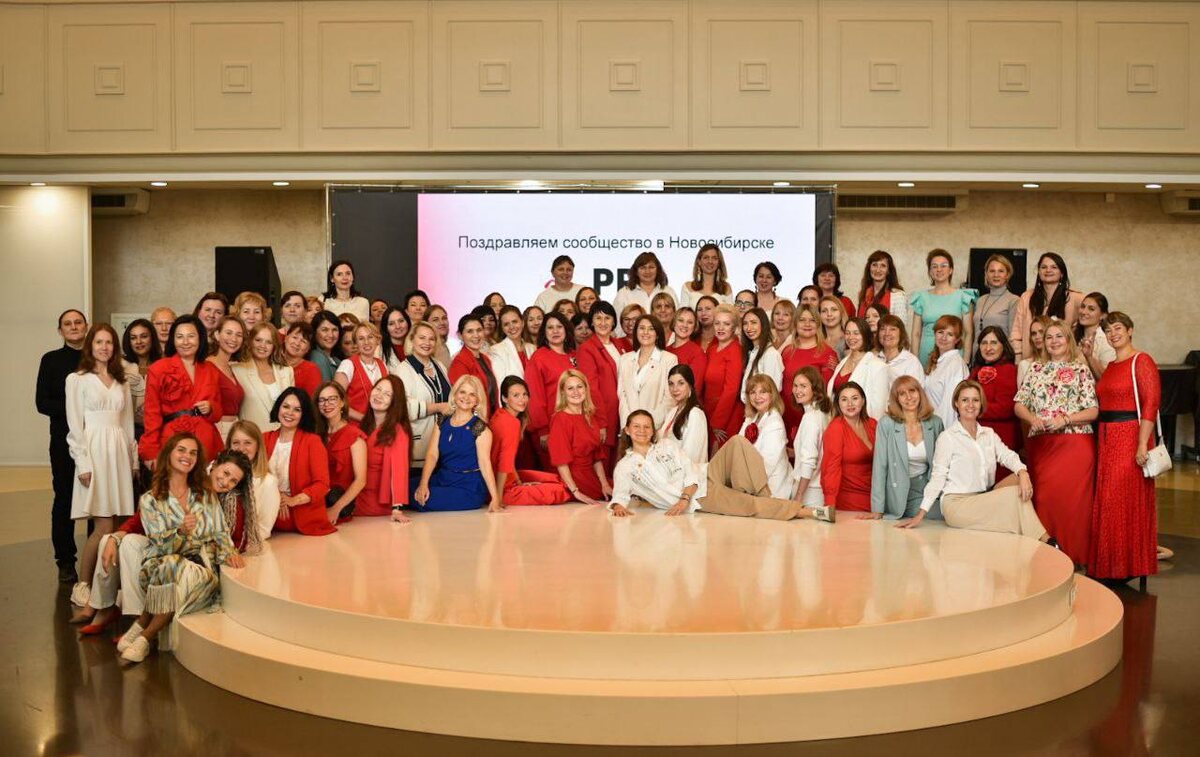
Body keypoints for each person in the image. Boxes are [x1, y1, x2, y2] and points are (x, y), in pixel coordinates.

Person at [75, 446, 257, 635]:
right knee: (111, 540)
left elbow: (234, 538)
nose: (226, 482)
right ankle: (108, 609)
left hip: (190, 556)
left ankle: (133, 618)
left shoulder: (231, 500)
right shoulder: (187, 483)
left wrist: (228, 551)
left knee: (134, 547)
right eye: (225, 473)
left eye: (233, 481)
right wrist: (116, 537)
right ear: (215, 465)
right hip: (165, 544)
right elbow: (143, 517)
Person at [116, 433, 246, 664]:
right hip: (158, 569)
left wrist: (230, 552)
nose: (188, 456)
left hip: (200, 571)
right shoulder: (150, 500)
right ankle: (144, 637)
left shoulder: (205, 495)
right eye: (182, 450)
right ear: (169, 454)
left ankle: (143, 631)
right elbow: (159, 545)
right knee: (171, 563)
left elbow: (220, 532)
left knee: (175, 567)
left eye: (193, 453)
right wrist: (180, 532)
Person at [609, 410, 832, 522]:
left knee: (737, 441)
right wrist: (618, 506)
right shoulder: (625, 467)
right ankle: (811, 512)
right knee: (750, 505)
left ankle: (763, 495)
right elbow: (620, 495)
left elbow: (689, 469)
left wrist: (684, 497)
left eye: (646, 427)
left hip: (704, 475)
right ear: (627, 430)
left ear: (652, 430)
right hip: (702, 495)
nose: (642, 431)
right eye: (636, 427)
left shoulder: (666, 445)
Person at [900, 382, 1045, 541]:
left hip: (982, 496)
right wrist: (921, 513)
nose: (970, 405)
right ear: (956, 403)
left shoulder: (988, 434)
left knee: (1019, 480)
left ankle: (1026, 537)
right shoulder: (948, 437)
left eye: (975, 400)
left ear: (981, 403)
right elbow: (938, 477)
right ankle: (1044, 539)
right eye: (965, 400)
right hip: (957, 504)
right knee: (1014, 495)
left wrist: (1023, 472)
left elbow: (1007, 456)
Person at [1014, 321, 1098, 567]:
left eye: (1059, 336)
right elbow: (1019, 404)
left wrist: (1066, 419)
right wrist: (1033, 419)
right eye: (1049, 337)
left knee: (1075, 504)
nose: (1053, 341)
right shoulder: (1036, 369)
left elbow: (1093, 411)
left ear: (1068, 339)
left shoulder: (1081, 370)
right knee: (1045, 500)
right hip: (1043, 447)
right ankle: (1047, 557)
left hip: (1076, 445)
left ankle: (1076, 557)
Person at [65, 324, 137, 607]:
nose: (104, 347)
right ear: (90, 346)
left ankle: (108, 587)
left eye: (109, 343)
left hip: (118, 453)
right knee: (103, 525)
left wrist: (132, 461)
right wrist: (82, 462)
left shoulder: (122, 381)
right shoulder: (77, 379)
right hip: (94, 453)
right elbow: (75, 426)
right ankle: (82, 585)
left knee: (119, 525)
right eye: (99, 342)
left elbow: (128, 425)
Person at [1090, 312, 1161, 582]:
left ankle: (1126, 566)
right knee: (1108, 500)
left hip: (1130, 436)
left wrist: (1142, 443)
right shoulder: (1111, 366)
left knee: (1121, 500)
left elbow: (1151, 403)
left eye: (1118, 328)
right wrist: (1088, 358)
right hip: (1107, 437)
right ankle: (1111, 566)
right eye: (1108, 331)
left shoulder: (1142, 360)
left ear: (1130, 330)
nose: (1113, 334)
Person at [38, 310, 88, 581]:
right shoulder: (50, 360)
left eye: (78, 322)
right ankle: (66, 561)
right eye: (67, 324)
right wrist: (76, 411)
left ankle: (96, 556)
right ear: (60, 331)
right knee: (65, 498)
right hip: (62, 441)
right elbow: (42, 403)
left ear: (86, 326)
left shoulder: (97, 357)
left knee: (98, 501)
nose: (73, 327)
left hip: (95, 440)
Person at [139, 315, 224, 468]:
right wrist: (151, 451)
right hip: (174, 440)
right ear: (173, 340)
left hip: (206, 440)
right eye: (179, 337)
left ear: (200, 338)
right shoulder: (159, 368)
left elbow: (218, 412)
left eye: (191, 336)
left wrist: (211, 407)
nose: (185, 342)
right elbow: (151, 413)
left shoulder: (211, 369)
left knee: (206, 482)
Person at [413, 375, 501, 512]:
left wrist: (495, 498)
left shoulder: (480, 429)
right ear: (454, 395)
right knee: (405, 488)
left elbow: (485, 464)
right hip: (444, 478)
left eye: (472, 394)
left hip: (468, 487)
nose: (466, 397)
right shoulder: (442, 421)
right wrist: (423, 484)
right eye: (462, 392)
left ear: (477, 401)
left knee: (427, 499)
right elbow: (432, 455)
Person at [869, 377, 944, 520]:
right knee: (939, 516)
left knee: (948, 512)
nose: (909, 397)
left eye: (912, 391)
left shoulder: (935, 423)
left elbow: (942, 465)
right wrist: (877, 509)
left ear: (920, 393)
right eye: (902, 394)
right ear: (896, 399)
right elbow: (880, 467)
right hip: (898, 491)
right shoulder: (886, 424)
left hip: (928, 489)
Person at [489, 377, 571, 506]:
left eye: (525, 394)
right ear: (504, 398)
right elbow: (504, 463)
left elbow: (507, 460)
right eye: (516, 395)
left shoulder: (500, 414)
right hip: (503, 488)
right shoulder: (511, 423)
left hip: (506, 477)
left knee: (555, 479)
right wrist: (497, 499)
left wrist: (519, 482)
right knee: (561, 490)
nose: (522, 400)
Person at [265, 388, 335, 536]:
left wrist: (292, 500)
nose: (290, 413)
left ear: (303, 415)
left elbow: (322, 484)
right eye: (286, 406)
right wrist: (277, 497)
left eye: (297, 410)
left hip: (302, 517)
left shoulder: (312, 442)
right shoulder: (264, 438)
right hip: (268, 516)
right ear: (278, 408)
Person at [394, 321, 451, 484]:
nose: (427, 343)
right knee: (419, 488)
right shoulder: (403, 369)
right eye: (422, 338)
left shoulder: (440, 366)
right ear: (412, 340)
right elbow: (402, 407)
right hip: (418, 446)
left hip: (442, 443)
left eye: (431, 339)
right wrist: (438, 407)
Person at [547, 370, 611, 503]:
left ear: (586, 389)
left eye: (579, 387)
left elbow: (596, 457)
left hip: (591, 476)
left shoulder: (589, 415)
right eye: (570, 388)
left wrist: (604, 484)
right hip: (573, 480)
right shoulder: (560, 419)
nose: (576, 392)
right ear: (563, 392)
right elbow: (561, 462)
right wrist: (576, 492)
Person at [576, 301, 626, 467]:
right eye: (598, 318)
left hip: (623, 411)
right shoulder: (587, 349)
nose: (603, 322)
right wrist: (601, 422)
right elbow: (591, 389)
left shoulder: (620, 345)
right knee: (605, 464)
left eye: (607, 318)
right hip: (605, 415)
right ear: (591, 322)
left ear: (614, 321)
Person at [525, 311, 578, 467]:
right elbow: (534, 396)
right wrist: (543, 430)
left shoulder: (574, 355)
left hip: (575, 424)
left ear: (566, 329)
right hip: (551, 427)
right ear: (544, 332)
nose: (555, 331)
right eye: (550, 327)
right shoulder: (539, 357)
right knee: (557, 473)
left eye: (559, 327)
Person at [909, 249, 977, 366]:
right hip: (926, 354)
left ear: (951, 270)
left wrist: (965, 360)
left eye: (943, 266)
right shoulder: (921, 297)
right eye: (934, 266)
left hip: (954, 355)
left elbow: (968, 332)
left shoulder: (963, 296)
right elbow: (916, 333)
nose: (939, 269)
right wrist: (914, 362)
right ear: (930, 271)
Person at [359, 376, 413, 520]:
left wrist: (397, 509)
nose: (379, 395)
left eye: (387, 394)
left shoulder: (397, 431)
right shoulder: (364, 425)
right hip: (356, 493)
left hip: (374, 501)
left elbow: (399, 471)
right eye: (378, 389)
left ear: (395, 402)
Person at [1012, 252, 1084, 359]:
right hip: (1031, 359)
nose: (1048, 270)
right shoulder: (1026, 297)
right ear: (1039, 272)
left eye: (1054, 267)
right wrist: (1018, 357)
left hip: (1062, 360)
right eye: (1043, 267)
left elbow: (1092, 317)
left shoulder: (1075, 298)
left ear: (1062, 273)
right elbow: (1016, 333)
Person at [970, 326, 1021, 478]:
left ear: (1003, 346)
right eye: (984, 343)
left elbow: (1006, 408)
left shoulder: (1009, 370)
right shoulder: (976, 370)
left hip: (1000, 438)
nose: (988, 348)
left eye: (993, 342)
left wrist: (974, 409)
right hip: (976, 436)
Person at [781, 305, 838, 436]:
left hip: (812, 419)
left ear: (818, 324)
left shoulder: (828, 354)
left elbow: (827, 392)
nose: (807, 324)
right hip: (786, 416)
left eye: (812, 320)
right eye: (802, 320)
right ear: (795, 323)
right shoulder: (787, 351)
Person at [315, 382, 366, 524]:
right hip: (318, 497)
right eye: (322, 400)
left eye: (332, 399)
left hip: (341, 502)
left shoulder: (355, 436)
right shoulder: (316, 434)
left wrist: (335, 509)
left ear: (342, 402)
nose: (327, 404)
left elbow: (361, 480)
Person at [821, 382, 877, 513]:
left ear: (863, 401)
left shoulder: (873, 424)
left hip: (875, 498)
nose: (850, 404)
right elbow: (830, 468)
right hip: (849, 501)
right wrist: (830, 504)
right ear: (838, 404)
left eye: (855, 398)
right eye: (844, 399)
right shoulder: (836, 428)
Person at [232, 322, 295, 432]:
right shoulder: (237, 370)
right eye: (258, 340)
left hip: (282, 437)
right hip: (252, 436)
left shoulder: (287, 371)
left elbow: (292, 408)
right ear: (250, 341)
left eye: (269, 342)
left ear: (274, 346)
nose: (263, 345)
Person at [618, 315, 678, 428]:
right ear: (636, 332)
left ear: (657, 334)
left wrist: (648, 425)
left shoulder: (669, 359)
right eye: (642, 328)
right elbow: (622, 395)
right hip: (629, 428)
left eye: (651, 329)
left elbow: (670, 398)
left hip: (656, 426)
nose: (645, 332)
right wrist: (628, 425)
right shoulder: (624, 359)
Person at [738, 375, 792, 498]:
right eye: (753, 392)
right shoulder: (752, 418)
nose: (757, 397)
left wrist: (742, 484)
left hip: (771, 490)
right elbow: (738, 447)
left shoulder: (775, 423)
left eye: (763, 392)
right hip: (751, 482)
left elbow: (767, 465)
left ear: (772, 395)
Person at [226, 420, 281, 539]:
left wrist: (229, 543)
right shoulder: (214, 471)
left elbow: (264, 529)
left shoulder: (268, 483)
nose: (241, 448)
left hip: (244, 544)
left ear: (257, 447)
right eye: (236, 443)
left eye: (247, 443)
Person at [702, 305, 745, 452]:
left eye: (726, 324)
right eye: (717, 323)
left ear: (734, 328)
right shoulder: (712, 349)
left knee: (720, 460)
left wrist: (718, 422)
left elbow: (731, 390)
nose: (721, 328)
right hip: (709, 411)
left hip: (726, 416)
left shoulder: (735, 350)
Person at [828, 317, 889, 419]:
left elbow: (878, 410)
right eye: (848, 333)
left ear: (865, 335)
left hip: (860, 424)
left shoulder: (878, 366)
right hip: (838, 421)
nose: (851, 337)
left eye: (856, 333)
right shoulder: (841, 363)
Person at [789, 367, 832, 509]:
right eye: (795, 385)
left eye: (803, 386)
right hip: (817, 489)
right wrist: (792, 452)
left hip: (809, 493)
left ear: (815, 388)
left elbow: (809, 461)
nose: (797, 390)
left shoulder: (810, 418)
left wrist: (799, 496)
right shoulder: (822, 413)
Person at [923, 315, 971, 428]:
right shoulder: (938, 361)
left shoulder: (956, 365)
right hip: (930, 424)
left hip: (943, 429)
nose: (943, 338)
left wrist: (940, 433)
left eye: (950, 334)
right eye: (940, 332)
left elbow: (950, 409)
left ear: (957, 339)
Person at [334, 323, 388, 424]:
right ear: (356, 343)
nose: (366, 342)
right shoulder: (348, 365)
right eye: (361, 339)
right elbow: (336, 401)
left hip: (378, 426)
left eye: (370, 337)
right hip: (354, 426)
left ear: (378, 340)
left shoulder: (382, 365)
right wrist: (364, 419)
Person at [449, 313, 500, 418]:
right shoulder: (459, 362)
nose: (476, 335)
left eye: (479, 330)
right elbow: (463, 400)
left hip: (490, 418)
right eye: (470, 331)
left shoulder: (485, 359)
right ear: (460, 335)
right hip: (474, 421)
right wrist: (478, 424)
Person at [612, 252, 675, 334]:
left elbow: (676, 320)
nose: (647, 271)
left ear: (658, 270)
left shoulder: (668, 291)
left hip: (664, 340)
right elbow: (617, 325)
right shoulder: (624, 293)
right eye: (643, 267)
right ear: (636, 271)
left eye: (651, 267)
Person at [661, 365, 708, 465]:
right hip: (668, 467)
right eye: (671, 384)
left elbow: (691, 456)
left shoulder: (695, 414)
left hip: (686, 471)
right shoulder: (673, 411)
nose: (675, 389)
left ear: (690, 385)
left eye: (681, 383)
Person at [971, 254, 1019, 351]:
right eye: (992, 271)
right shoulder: (980, 300)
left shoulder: (1014, 300)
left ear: (1007, 275)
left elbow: (1013, 336)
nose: (996, 275)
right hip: (977, 356)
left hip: (1000, 356)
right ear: (986, 274)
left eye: (1001, 271)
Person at [120, 318, 159, 437]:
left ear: (152, 338)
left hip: (157, 430)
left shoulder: (163, 364)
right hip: (126, 430)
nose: (138, 341)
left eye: (144, 336)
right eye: (133, 338)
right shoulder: (120, 365)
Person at [208, 316, 245, 439]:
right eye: (228, 333)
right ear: (217, 335)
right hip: (217, 428)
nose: (234, 339)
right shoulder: (207, 366)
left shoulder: (232, 367)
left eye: (239, 335)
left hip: (234, 428)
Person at [855, 250, 908, 323]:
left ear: (888, 271)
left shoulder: (898, 295)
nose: (878, 270)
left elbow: (900, 326)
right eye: (874, 265)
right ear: (869, 268)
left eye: (883, 266)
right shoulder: (863, 294)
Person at [740, 306, 784, 395]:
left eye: (753, 322)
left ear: (763, 325)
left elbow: (772, 390)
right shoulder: (752, 352)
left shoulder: (770, 354)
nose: (748, 328)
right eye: (745, 323)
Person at [666, 307, 707, 397]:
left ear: (694, 327)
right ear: (674, 322)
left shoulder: (697, 353)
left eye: (690, 322)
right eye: (681, 320)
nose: (685, 325)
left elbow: (695, 389)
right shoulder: (666, 350)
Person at [488, 305, 534, 383]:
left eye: (514, 322)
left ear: (522, 323)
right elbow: (499, 384)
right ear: (502, 328)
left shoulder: (532, 348)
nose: (511, 327)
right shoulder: (496, 351)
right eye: (506, 324)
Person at [1076, 292, 1116, 379]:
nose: (1084, 312)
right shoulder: (1074, 336)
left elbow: (1108, 379)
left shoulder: (1106, 341)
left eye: (1091, 309)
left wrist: (1090, 358)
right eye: (1083, 306)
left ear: (1103, 316)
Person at [875, 314, 923, 386]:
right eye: (883, 329)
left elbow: (915, 390)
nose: (887, 333)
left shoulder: (911, 362)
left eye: (892, 329)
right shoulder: (873, 359)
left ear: (901, 334)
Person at [282, 322, 321, 397]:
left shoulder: (311, 370)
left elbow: (313, 400)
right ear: (286, 338)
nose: (297, 343)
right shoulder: (273, 361)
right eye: (294, 337)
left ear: (308, 348)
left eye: (303, 341)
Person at [307, 311, 343, 383]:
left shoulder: (335, 359)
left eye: (334, 330)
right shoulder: (318, 358)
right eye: (325, 330)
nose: (331, 335)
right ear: (314, 332)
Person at [1017, 315, 1052, 386]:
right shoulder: (1024, 365)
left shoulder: (1061, 362)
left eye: (1041, 332)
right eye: (1034, 334)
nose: (1037, 337)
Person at [380, 306, 411, 373]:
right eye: (391, 324)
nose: (398, 326)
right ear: (386, 328)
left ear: (408, 322)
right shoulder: (379, 350)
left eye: (401, 321)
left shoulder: (417, 345)